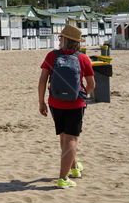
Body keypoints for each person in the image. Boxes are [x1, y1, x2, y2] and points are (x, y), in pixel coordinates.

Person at [38, 24, 95, 188]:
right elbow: (91, 84)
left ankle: (74, 167)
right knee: (71, 138)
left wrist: (41, 101)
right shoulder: (82, 58)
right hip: (75, 103)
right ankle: (63, 178)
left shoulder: (51, 56)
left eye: (60, 37)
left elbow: (42, 81)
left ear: (66, 40)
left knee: (64, 137)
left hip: (55, 103)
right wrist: (83, 96)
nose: (59, 39)